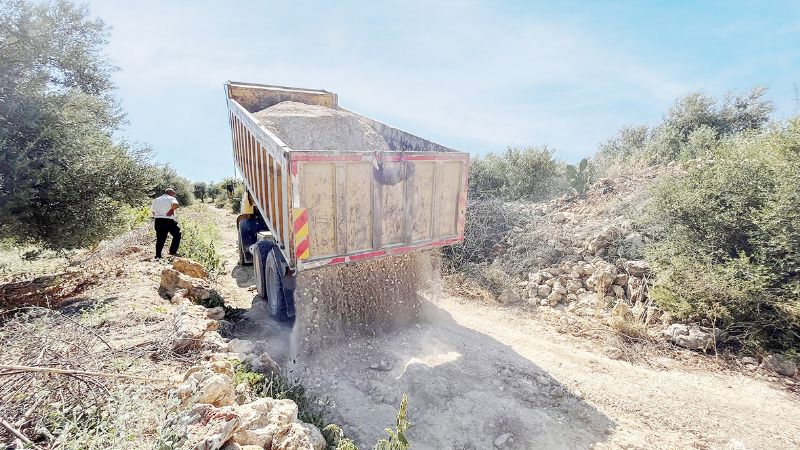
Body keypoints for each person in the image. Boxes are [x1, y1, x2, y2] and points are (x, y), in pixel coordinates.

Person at [151, 188, 181, 259]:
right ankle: (172, 251)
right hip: (168, 221)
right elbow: (176, 204)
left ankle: (158, 256)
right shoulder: (171, 198)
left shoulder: (156, 199)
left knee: (160, 238)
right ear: (170, 193)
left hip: (158, 220)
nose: (174, 195)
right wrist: (171, 210)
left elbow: (152, 211)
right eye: (174, 193)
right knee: (177, 234)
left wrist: (158, 216)